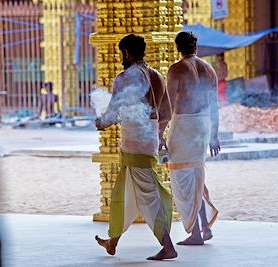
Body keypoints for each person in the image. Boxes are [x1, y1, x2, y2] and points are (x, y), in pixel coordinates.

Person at [94, 34, 177, 261]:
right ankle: (113, 242)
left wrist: (101, 123)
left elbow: (111, 113)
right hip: (147, 137)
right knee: (126, 191)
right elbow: (166, 113)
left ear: (127, 53)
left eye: (122, 53)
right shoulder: (156, 76)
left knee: (147, 196)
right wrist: (156, 135)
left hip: (134, 141)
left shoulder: (124, 77)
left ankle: (168, 246)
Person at [160, 31, 219, 246]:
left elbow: (168, 107)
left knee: (182, 179)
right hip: (203, 125)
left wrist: (159, 133)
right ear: (196, 47)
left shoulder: (176, 69)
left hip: (184, 125)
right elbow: (215, 105)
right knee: (196, 176)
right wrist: (214, 135)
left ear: (178, 48)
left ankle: (195, 233)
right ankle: (203, 227)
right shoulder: (209, 69)